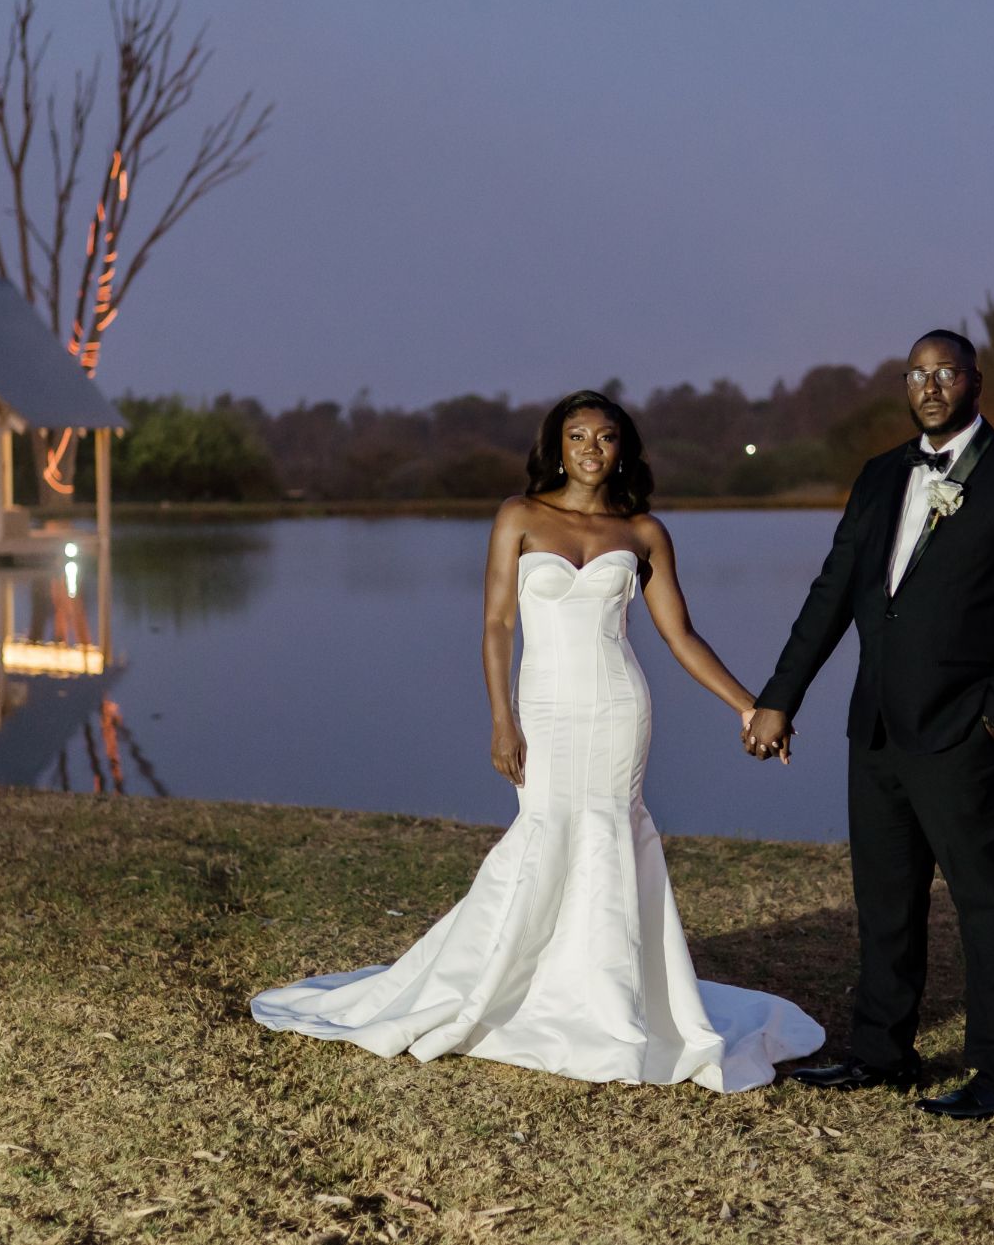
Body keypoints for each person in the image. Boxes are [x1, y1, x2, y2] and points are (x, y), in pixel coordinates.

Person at [251, 390, 824, 1091]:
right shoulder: (518, 516)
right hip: (544, 707)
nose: (591, 448)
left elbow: (680, 635)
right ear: (557, 446)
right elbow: (497, 625)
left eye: (605, 436)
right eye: (577, 436)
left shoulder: (643, 531)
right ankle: (514, 983)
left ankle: (609, 998)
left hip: (618, 706)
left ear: (623, 449)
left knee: (610, 831)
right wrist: (502, 719)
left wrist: (750, 707)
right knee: (545, 829)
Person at [744, 330, 994, 1118]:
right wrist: (780, 696)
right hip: (877, 729)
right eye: (917, 374)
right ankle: (881, 1051)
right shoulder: (880, 474)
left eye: (945, 372)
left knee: (988, 903)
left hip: (967, 731)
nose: (930, 386)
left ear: (974, 382)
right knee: (884, 899)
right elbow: (832, 593)